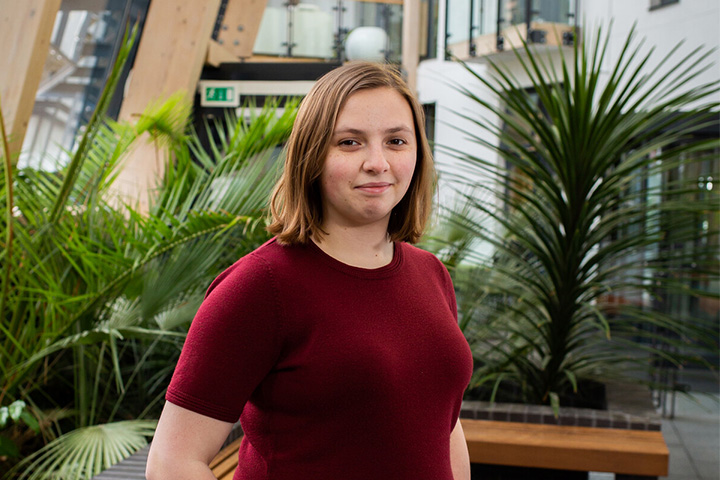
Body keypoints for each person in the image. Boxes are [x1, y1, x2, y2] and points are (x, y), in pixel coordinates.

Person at [146, 61, 473, 480]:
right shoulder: (261, 286)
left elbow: (443, 427)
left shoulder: (431, 274)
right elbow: (171, 463)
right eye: (350, 142)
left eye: (396, 140)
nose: (378, 162)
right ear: (311, 155)